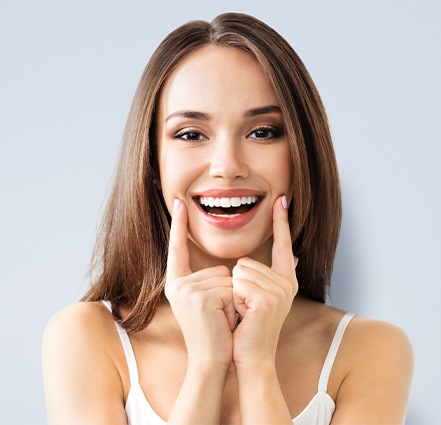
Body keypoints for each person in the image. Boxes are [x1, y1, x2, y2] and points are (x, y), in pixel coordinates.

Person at [42, 12, 413, 425]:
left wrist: (256, 364)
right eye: (190, 134)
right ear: (152, 163)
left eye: (263, 132)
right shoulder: (87, 338)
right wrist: (205, 364)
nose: (227, 166)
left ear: (301, 156)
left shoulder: (370, 350)